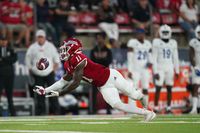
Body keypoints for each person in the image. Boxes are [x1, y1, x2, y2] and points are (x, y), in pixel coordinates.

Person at [33, 37, 156, 122]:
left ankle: (146, 105)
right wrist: (46, 89)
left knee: (134, 95)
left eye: (66, 48)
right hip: (102, 85)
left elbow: (75, 83)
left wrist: (60, 93)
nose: (63, 50)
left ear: (73, 49)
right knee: (118, 105)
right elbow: (63, 81)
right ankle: (147, 113)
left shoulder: (78, 58)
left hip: (111, 77)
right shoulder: (68, 64)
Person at [25, 29, 60, 115]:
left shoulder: (51, 46)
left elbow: (57, 60)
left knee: (52, 92)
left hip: (49, 73)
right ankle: (41, 112)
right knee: (40, 94)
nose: (40, 39)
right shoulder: (32, 48)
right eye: (39, 37)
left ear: (44, 38)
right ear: (36, 38)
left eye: (42, 37)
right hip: (37, 74)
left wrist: (54, 71)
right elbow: (27, 59)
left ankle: (55, 111)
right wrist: (30, 69)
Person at [152, 25, 179, 113]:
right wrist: (155, 71)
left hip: (170, 67)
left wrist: (177, 70)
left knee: (169, 88)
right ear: (160, 33)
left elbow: (175, 58)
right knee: (158, 87)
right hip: (160, 67)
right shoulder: (156, 42)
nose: (165, 34)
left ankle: (168, 108)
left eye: (167, 32)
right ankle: (155, 108)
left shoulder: (173, 42)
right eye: (164, 32)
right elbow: (154, 58)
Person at [127, 28, 152, 108]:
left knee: (145, 88)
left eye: (142, 33)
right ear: (136, 34)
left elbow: (150, 57)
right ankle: (132, 108)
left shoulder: (148, 43)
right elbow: (129, 58)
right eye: (139, 33)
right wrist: (130, 70)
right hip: (135, 69)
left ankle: (145, 108)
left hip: (144, 70)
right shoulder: (132, 43)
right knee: (133, 89)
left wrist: (150, 62)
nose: (141, 35)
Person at [90, 32, 113, 114]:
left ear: (104, 39)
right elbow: (92, 62)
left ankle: (108, 110)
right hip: (95, 74)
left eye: (100, 38)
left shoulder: (108, 50)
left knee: (107, 92)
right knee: (94, 92)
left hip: (105, 73)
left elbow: (108, 62)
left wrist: (99, 60)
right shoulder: (93, 50)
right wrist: (101, 60)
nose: (99, 40)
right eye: (98, 38)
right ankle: (93, 110)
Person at [0, 35, 17, 116]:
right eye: (2, 40)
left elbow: (14, 59)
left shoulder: (11, 49)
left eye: (5, 40)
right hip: (0, 75)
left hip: (9, 75)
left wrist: (3, 59)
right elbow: (11, 60)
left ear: (7, 41)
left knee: (9, 95)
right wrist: (8, 60)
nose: (4, 42)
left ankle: (13, 113)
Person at [189, 25, 200, 114]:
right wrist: (195, 67)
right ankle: (194, 109)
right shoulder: (193, 42)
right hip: (197, 67)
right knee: (195, 87)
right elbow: (191, 56)